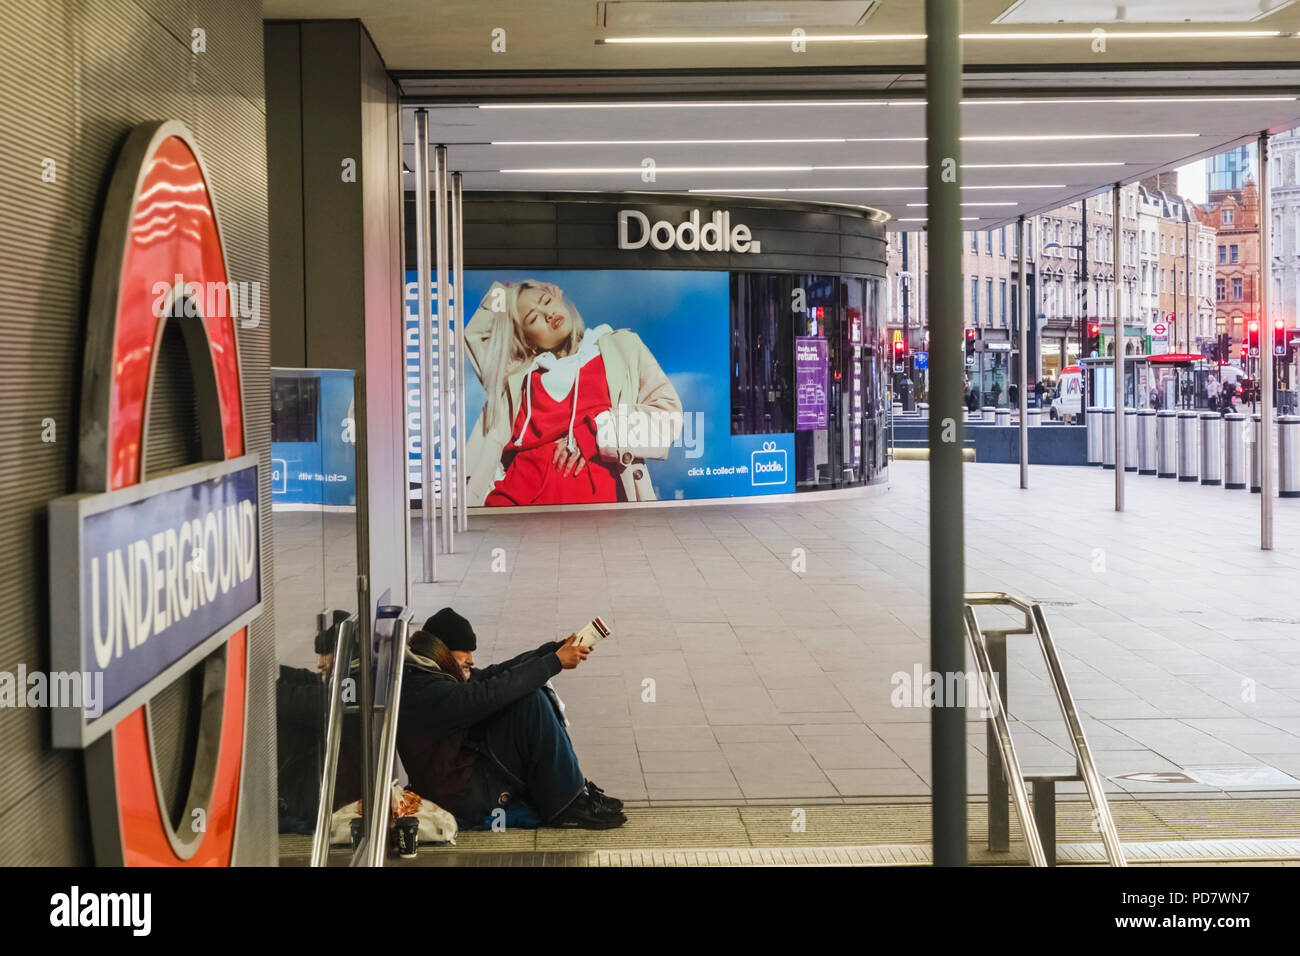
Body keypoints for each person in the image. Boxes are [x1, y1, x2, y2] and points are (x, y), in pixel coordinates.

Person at [397, 608, 625, 830]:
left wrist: (553, 652)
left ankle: (572, 792)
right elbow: (487, 694)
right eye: (464, 652)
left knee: (530, 692)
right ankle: (568, 804)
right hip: (459, 798)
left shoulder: (430, 672)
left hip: (461, 775)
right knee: (530, 703)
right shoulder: (425, 689)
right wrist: (553, 662)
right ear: (442, 650)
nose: (471, 660)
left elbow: (494, 674)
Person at [463, 279, 683, 506]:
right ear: (527, 340)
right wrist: (512, 290)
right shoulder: (519, 374)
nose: (547, 313)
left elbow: (669, 417)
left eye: (546, 300)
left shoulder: (621, 347)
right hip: (516, 508)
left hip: (602, 514)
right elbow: (479, 333)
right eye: (533, 317)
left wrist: (593, 434)